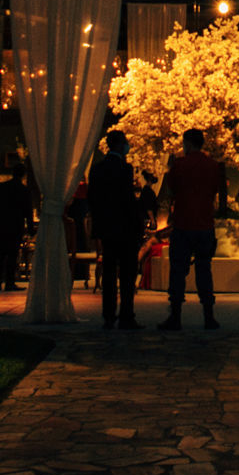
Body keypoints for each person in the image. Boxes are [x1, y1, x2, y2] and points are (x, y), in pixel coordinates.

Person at [159, 128, 226, 330]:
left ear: (187, 143)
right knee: (204, 270)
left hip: (183, 224)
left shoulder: (179, 165)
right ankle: (208, 315)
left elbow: (172, 189)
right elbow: (216, 190)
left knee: (178, 271)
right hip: (205, 224)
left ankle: (176, 316)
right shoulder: (213, 166)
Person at [88, 130, 144, 329]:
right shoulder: (124, 169)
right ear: (120, 145)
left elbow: (92, 199)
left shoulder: (96, 169)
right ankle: (126, 315)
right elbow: (127, 199)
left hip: (106, 228)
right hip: (125, 228)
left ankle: (108, 315)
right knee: (127, 275)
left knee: (109, 273)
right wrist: (137, 224)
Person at [0, 162, 34, 290]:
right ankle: (10, 282)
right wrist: (30, 227)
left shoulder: (2, 187)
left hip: (2, 222)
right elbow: (28, 211)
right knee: (12, 254)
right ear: (23, 175)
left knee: (0, 253)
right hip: (16, 223)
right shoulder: (24, 190)